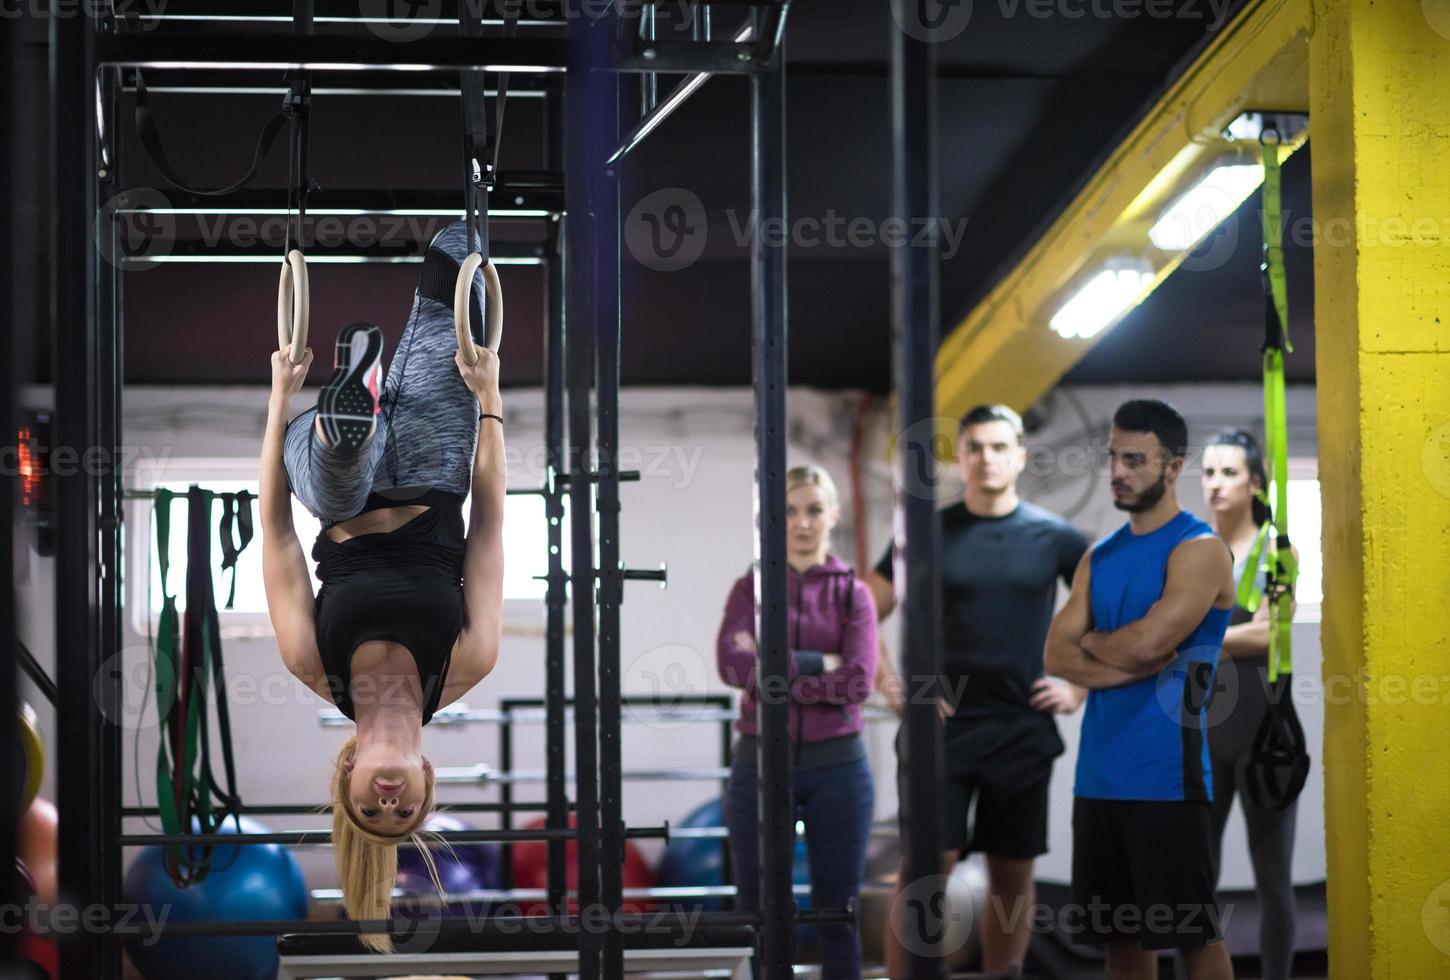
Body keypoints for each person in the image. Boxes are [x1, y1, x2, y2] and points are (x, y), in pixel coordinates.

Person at [259, 221, 505, 950]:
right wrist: (490, 399)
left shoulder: (313, 664)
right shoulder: (465, 663)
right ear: (429, 777)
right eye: (406, 814)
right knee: (460, 249)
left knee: (338, 476)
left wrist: (278, 398)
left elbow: (275, 534)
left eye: (372, 810)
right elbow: (488, 530)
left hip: (334, 482)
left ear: (348, 776)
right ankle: (355, 407)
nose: (391, 804)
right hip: (435, 461)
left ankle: (345, 414)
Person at [867, 403, 1088, 978]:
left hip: (1021, 728)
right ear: (960, 458)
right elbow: (860, 612)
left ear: (1020, 455)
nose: (986, 458)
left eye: (998, 447)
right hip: (941, 729)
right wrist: (895, 689)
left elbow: (1108, 616)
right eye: (974, 448)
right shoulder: (925, 533)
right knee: (923, 872)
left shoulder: (1056, 537)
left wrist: (1075, 688)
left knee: (1012, 874)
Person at [1044, 399, 1236, 979]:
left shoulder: (1200, 550)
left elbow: (1152, 643)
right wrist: (1123, 659)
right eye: (1113, 458)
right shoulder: (1098, 557)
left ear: (1173, 467)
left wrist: (1097, 644)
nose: (1118, 471)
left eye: (1134, 459)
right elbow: (1055, 653)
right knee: (1120, 942)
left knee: (1194, 937)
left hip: (1167, 780)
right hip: (1099, 778)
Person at [717, 464, 879, 978]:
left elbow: (858, 681)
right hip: (760, 763)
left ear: (832, 515)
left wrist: (775, 672)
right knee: (760, 913)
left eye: (813, 509)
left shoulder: (855, 593)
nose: (802, 521)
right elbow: (733, 665)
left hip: (839, 768)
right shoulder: (751, 589)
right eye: (789, 510)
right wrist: (819, 664)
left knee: (839, 915)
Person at [1201, 429, 1299, 980]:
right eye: (1208, 472)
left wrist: (1195, 640)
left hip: (1268, 733)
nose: (1215, 484)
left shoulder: (1277, 549)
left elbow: (1272, 638)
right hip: (1207, 728)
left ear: (1255, 482)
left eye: (1229, 473)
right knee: (1198, 875)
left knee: (1273, 877)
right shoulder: (1192, 550)